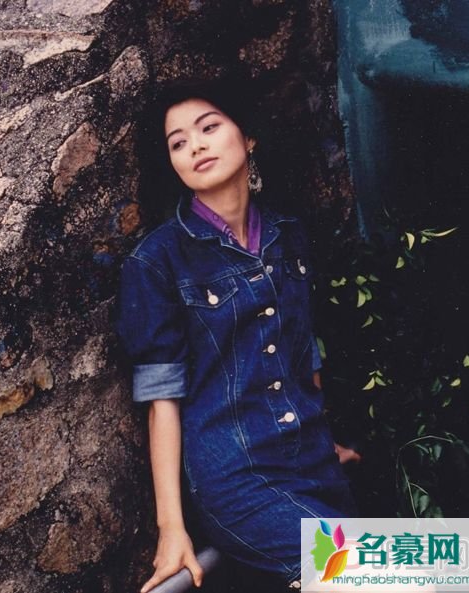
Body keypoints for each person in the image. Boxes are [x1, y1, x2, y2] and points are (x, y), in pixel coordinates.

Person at [117, 77, 358, 593]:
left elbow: (301, 351)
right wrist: (172, 527)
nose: (195, 146)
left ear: (247, 137)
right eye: (178, 142)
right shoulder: (157, 260)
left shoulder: (287, 233)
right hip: (239, 479)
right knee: (405, 571)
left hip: (313, 459)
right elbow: (162, 400)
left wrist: (325, 437)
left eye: (209, 128)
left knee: (424, 565)